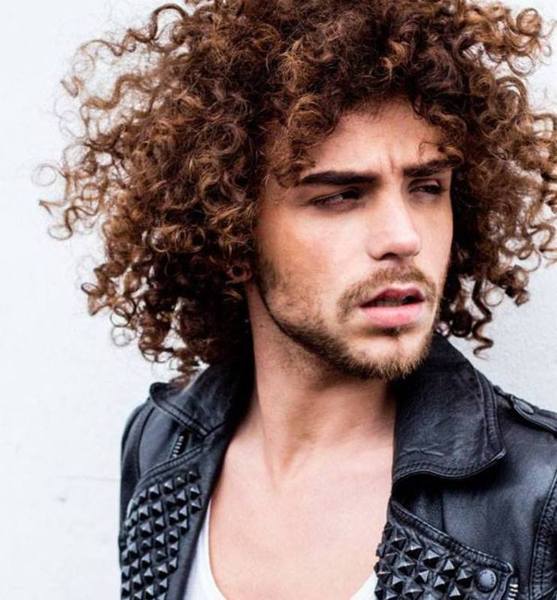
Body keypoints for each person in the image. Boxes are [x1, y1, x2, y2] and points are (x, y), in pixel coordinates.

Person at [40, 0, 557, 598]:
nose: (403, 237)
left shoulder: (538, 496)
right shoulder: (159, 443)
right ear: (232, 232)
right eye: (340, 196)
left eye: (426, 187)